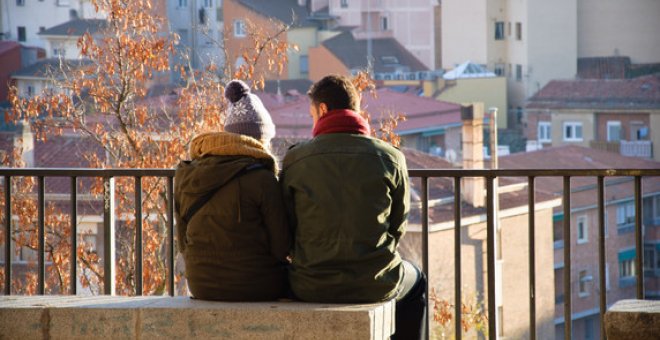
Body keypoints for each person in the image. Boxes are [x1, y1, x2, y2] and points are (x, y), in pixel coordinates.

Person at [280, 74, 427, 339]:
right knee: (417, 282)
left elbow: (287, 227)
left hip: (310, 283)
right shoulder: (391, 158)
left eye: (312, 114)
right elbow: (397, 227)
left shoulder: (295, 159)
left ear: (323, 109)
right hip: (374, 282)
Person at [174, 79, 290, 301]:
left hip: (201, 285)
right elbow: (281, 247)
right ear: (260, 139)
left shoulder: (187, 174)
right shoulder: (262, 179)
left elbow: (183, 244)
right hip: (255, 283)